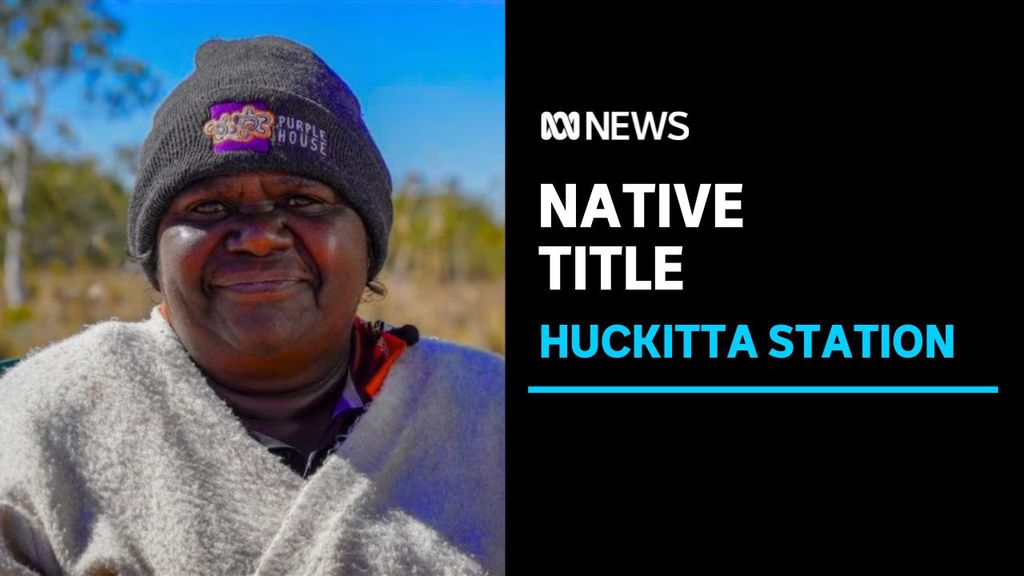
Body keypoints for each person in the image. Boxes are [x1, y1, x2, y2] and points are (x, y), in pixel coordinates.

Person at [0, 36, 504, 575]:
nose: (260, 238)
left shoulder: (485, 409)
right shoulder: (35, 422)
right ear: (156, 253)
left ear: (368, 244)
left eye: (302, 201)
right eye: (209, 206)